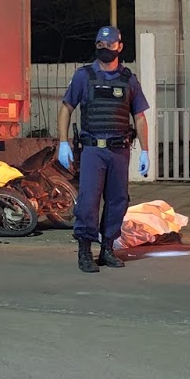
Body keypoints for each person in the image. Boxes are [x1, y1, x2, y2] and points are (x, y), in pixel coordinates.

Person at [57, 26, 151, 274]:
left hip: (119, 151)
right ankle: (85, 251)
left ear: (120, 46)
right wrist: (63, 142)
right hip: (93, 150)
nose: (105, 48)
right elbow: (66, 108)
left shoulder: (128, 79)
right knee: (88, 201)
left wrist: (145, 150)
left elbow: (139, 117)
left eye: (110, 44)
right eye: (100, 44)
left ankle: (108, 248)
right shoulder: (84, 76)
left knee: (118, 201)